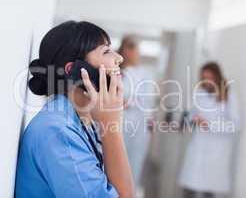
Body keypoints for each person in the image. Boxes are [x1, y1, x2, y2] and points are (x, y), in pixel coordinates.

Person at [15, 21, 134, 198]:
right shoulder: (57, 132)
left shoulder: (79, 120)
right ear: (74, 70)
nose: (119, 58)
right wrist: (111, 125)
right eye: (106, 51)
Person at [178, 62, 241, 198]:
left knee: (208, 191)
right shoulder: (199, 92)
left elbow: (235, 125)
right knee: (189, 188)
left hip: (217, 150)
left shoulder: (229, 95)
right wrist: (190, 119)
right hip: (198, 146)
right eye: (203, 78)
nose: (206, 82)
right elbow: (192, 112)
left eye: (210, 78)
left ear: (217, 77)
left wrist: (209, 124)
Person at [118, 36, 154, 196]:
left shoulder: (145, 74)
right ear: (123, 50)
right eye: (129, 48)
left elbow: (147, 100)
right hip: (118, 121)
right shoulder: (116, 71)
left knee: (135, 163)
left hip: (139, 124)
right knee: (116, 160)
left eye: (135, 49)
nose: (132, 52)